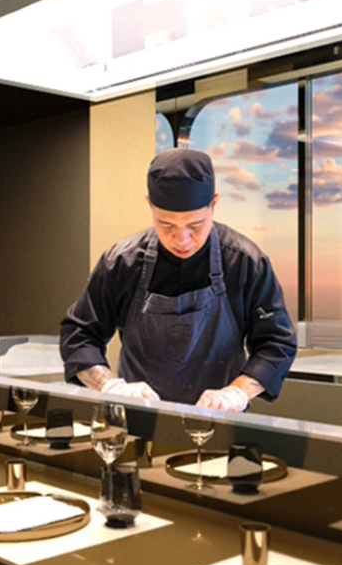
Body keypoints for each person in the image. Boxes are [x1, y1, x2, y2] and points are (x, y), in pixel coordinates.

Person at [59, 148, 297, 412]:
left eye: (195, 226)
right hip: (138, 422)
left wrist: (236, 392)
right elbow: (79, 335)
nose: (181, 240)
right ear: (149, 204)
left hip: (220, 424)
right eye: (166, 225)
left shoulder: (246, 262)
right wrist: (111, 386)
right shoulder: (121, 262)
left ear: (214, 204)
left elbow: (277, 343)